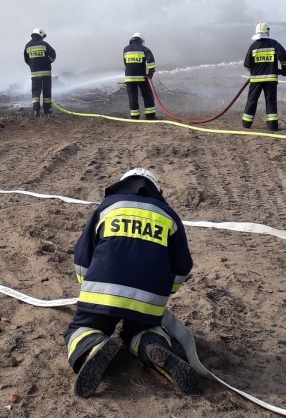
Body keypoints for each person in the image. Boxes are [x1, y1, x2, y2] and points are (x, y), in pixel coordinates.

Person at [64, 168, 198, 398]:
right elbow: (182, 266)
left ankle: (92, 345)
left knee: (81, 328)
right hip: (149, 302)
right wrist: (165, 291)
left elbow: (82, 257)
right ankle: (153, 345)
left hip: (100, 295)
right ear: (157, 190)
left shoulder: (108, 207)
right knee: (146, 328)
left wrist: (88, 287)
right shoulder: (169, 215)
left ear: (122, 184)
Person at [242, 22, 286, 130]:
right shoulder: (274, 44)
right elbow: (285, 59)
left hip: (256, 80)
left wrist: (253, 72)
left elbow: (247, 65)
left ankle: (246, 123)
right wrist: (284, 70)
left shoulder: (253, 46)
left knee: (252, 100)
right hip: (271, 79)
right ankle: (273, 125)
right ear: (267, 31)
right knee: (271, 101)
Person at [122, 33, 157, 119]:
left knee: (132, 97)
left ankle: (135, 117)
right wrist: (150, 74)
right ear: (141, 40)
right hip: (142, 77)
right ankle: (150, 116)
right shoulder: (144, 49)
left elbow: (125, 63)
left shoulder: (126, 49)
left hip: (129, 78)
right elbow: (151, 63)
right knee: (147, 95)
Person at [23, 28, 57, 117]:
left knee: (35, 91)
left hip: (34, 73)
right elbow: (53, 54)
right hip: (46, 72)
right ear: (41, 35)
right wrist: (50, 61)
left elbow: (26, 59)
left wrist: (32, 65)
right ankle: (47, 110)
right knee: (46, 91)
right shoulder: (44, 44)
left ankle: (36, 110)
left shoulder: (27, 46)